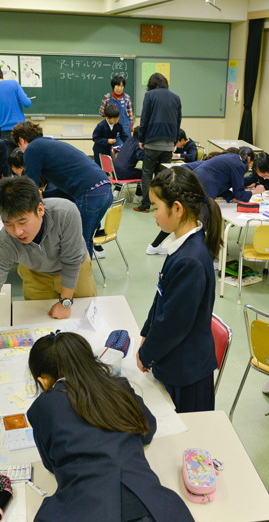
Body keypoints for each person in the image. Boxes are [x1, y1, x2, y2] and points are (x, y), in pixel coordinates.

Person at [26, 331, 209, 522]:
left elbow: (50, 464)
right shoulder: (119, 387)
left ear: (44, 381)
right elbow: (147, 428)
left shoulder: (44, 408)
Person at [0, 176, 97, 380]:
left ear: (40, 210)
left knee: (82, 327)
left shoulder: (65, 212)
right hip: (36, 274)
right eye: (8, 224)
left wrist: (65, 301)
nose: (17, 232)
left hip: (76, 271)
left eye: (23, 221)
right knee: (41, 331)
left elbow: (71, 261)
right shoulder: (6, 241)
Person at [137, 167, 222, 412]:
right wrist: (146, 333)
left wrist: (146, 355)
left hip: (187, 375)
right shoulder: (181, 245)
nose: (153, 214)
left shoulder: (190, 260)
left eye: (155, 207)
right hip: (175, 362)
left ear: (177, 208)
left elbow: (174, 324)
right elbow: (161, 295)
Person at [12, 121, 112, 258]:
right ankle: (84, 275)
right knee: (85, 238)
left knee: (78, 240)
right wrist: (43, 195)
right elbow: (68, 191)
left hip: (90, 192)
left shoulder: (32, 148)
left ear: (21, 140)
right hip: (105, 188)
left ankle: (80, 276)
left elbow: (30, 185)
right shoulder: (48, 144)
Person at [134, 73, 182, 213]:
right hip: (168, 143)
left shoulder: (150, 96)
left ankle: (145, 205)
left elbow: (145, 119)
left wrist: (141, 139)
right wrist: (174, 140)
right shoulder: (176, 97)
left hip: (152, 141)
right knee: (164, 176)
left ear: (151, 84)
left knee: (147, 173)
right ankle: (162, 205)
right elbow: (178, 121)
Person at [0, 62, 32, 152]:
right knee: (25, 160)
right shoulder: (14, 84)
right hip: (22, 131)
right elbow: (27, 103)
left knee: (10, 163)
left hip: (5, 133)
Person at [98, 74, 134, 146]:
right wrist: (108, 114)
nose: (119, 88)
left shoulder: (127, 97)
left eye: (121, 86)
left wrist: (131, 126)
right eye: (117, 86)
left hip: (125, 128)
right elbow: (101, 112)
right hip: (112, 128)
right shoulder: (107, 97)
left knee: (126, 149)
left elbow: (130, 113)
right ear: (113, 86)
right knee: (114, 150)